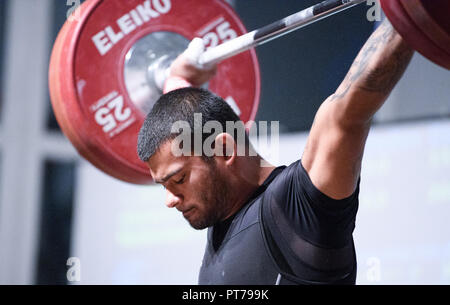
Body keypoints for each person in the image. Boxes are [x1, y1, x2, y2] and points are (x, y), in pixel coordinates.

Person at [137, 18, 414, 284]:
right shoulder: (220, 205)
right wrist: (176, 76)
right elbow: (181, 117)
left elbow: (346, 113)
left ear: (223, 149)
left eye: (179, 180)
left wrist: (412, 14)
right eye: (164, 184)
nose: (170, 200)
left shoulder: (300, 208)